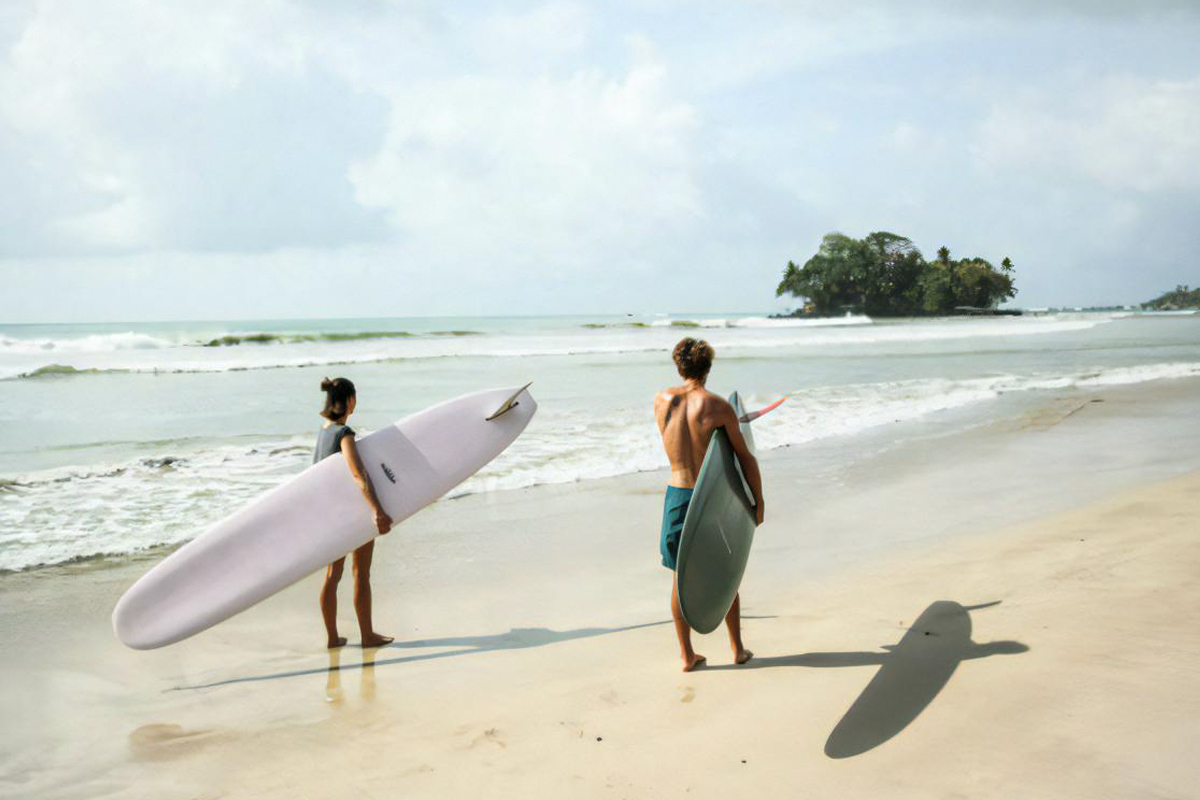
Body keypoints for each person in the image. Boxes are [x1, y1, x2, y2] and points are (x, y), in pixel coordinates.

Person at [654, 338, 764, 671]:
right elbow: (745, 457)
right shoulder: (718, 407)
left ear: (678, 366)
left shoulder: (661, 400)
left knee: (679, 578)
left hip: (676, 496)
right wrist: (757, 503)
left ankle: (687, 655)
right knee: (724, 573)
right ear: (708, 367)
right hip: (708, 502)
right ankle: (737, 649)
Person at [313, 377, 394, 649]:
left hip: (328, 514)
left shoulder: (323, 431)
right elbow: (358, 474)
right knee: (361, 574)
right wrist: (377, 510)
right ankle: (367, 636)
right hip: (352, 512)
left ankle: (333, 638)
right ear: (349, 400)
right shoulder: (343, 433)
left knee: (332, 576)